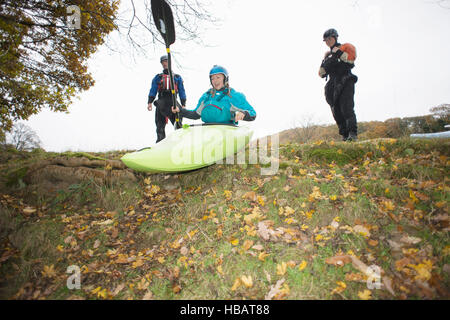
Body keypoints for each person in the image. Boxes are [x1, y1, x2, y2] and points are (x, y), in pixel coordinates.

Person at [171, 65, 256, 124]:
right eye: (212, 78)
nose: (215, 81)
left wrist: (243, 113)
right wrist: (180, 111)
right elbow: (195, 114)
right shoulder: (206, 96)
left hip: (227, 130)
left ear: (225, 79)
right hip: (208, 131)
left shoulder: (233, 96)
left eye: (218, 77)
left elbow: (252, 113)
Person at [319, 28, 358, 141]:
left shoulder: (346, 46)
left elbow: (351, 60)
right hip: (332, 83)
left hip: (345, 79)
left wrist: (339, 53)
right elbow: (321, 73)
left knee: (347, 107)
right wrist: (326, 60)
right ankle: (344, 135)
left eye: (330, 38)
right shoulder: (327, 55)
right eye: (326, 40)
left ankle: (352, 133)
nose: (328, 41)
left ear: (335, 37)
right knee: (336, 111)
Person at [147, 55, 187, 143]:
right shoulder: (158, 77)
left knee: (178, 123)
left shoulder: (177, 77)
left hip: (173, 101)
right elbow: (153, 89)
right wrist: (150, 102)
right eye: (163, 62)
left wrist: (183, 103)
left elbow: (181, 90)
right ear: (161, 64)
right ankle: (160, 143)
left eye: (166, 61)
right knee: (159, 125)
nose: (165, 63)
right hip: (161, 101)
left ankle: (180, 142)